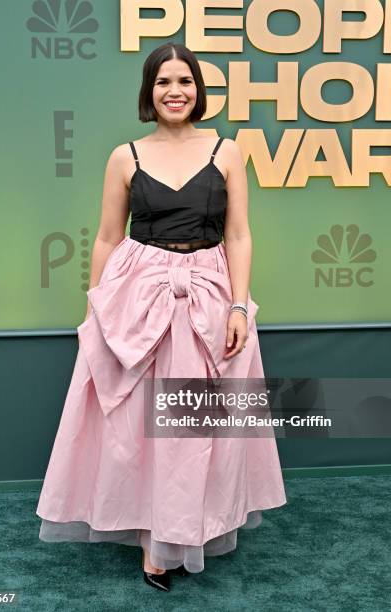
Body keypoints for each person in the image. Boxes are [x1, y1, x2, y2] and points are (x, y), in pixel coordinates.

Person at [36, 42, 287, 592]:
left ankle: (186, 528)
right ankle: (154, 537)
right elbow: (107, 237)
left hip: (209, 293)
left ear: (199, 90)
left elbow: (239, 234)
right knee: (134, 425)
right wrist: (93, 313)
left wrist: (240, 305)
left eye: (186, 81)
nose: (175, 91)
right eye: (163, 82)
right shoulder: (124, 156)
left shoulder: (228, 151)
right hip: (137, 294)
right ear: (149, 92)